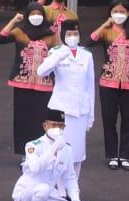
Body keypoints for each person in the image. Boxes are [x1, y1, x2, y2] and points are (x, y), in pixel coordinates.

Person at [12, 108, 88, 201]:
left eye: (60, 126)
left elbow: (70, 178)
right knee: (43, 189)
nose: (57, 129)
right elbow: (35, 167)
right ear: (45, 126)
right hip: (26, 194)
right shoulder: (34, 145)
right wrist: (52, 151)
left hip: (48, 195)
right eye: (53, 125)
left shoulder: (67, 149)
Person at [90, 0, 129, 170]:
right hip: (108, 82)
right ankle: (112, 155)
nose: (119, 14)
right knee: (109, 119)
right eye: (115, 11)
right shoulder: (107, 32)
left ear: (128, 13)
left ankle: (125, 156)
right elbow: (90, 41)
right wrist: (105, 24)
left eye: (122, 11)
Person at [38, 19, 95, 180]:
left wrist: (91, 115)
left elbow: (90, 87)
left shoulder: (87, 55)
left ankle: (73, 190)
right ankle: (60, 191)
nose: (72, 37)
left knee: (77, 154)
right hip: (61, 111)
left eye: (75, 34)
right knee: (61, 152)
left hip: (80, 110)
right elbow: (41, 72)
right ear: (63, 35)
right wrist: (58, 56)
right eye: (69, 34)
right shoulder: (55, 52)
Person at [0, 2, 57, 154]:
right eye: (32, 14)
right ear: (27, 16)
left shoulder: (51, 35)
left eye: (39, 14)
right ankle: (25, 153)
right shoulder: (20, 31)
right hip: (22, 82)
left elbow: (59, 55)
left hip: (44, 83)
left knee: (41, 119)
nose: (36, 17)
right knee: (22, 119)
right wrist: (13, 21)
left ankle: (42, 152)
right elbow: (1, 38)